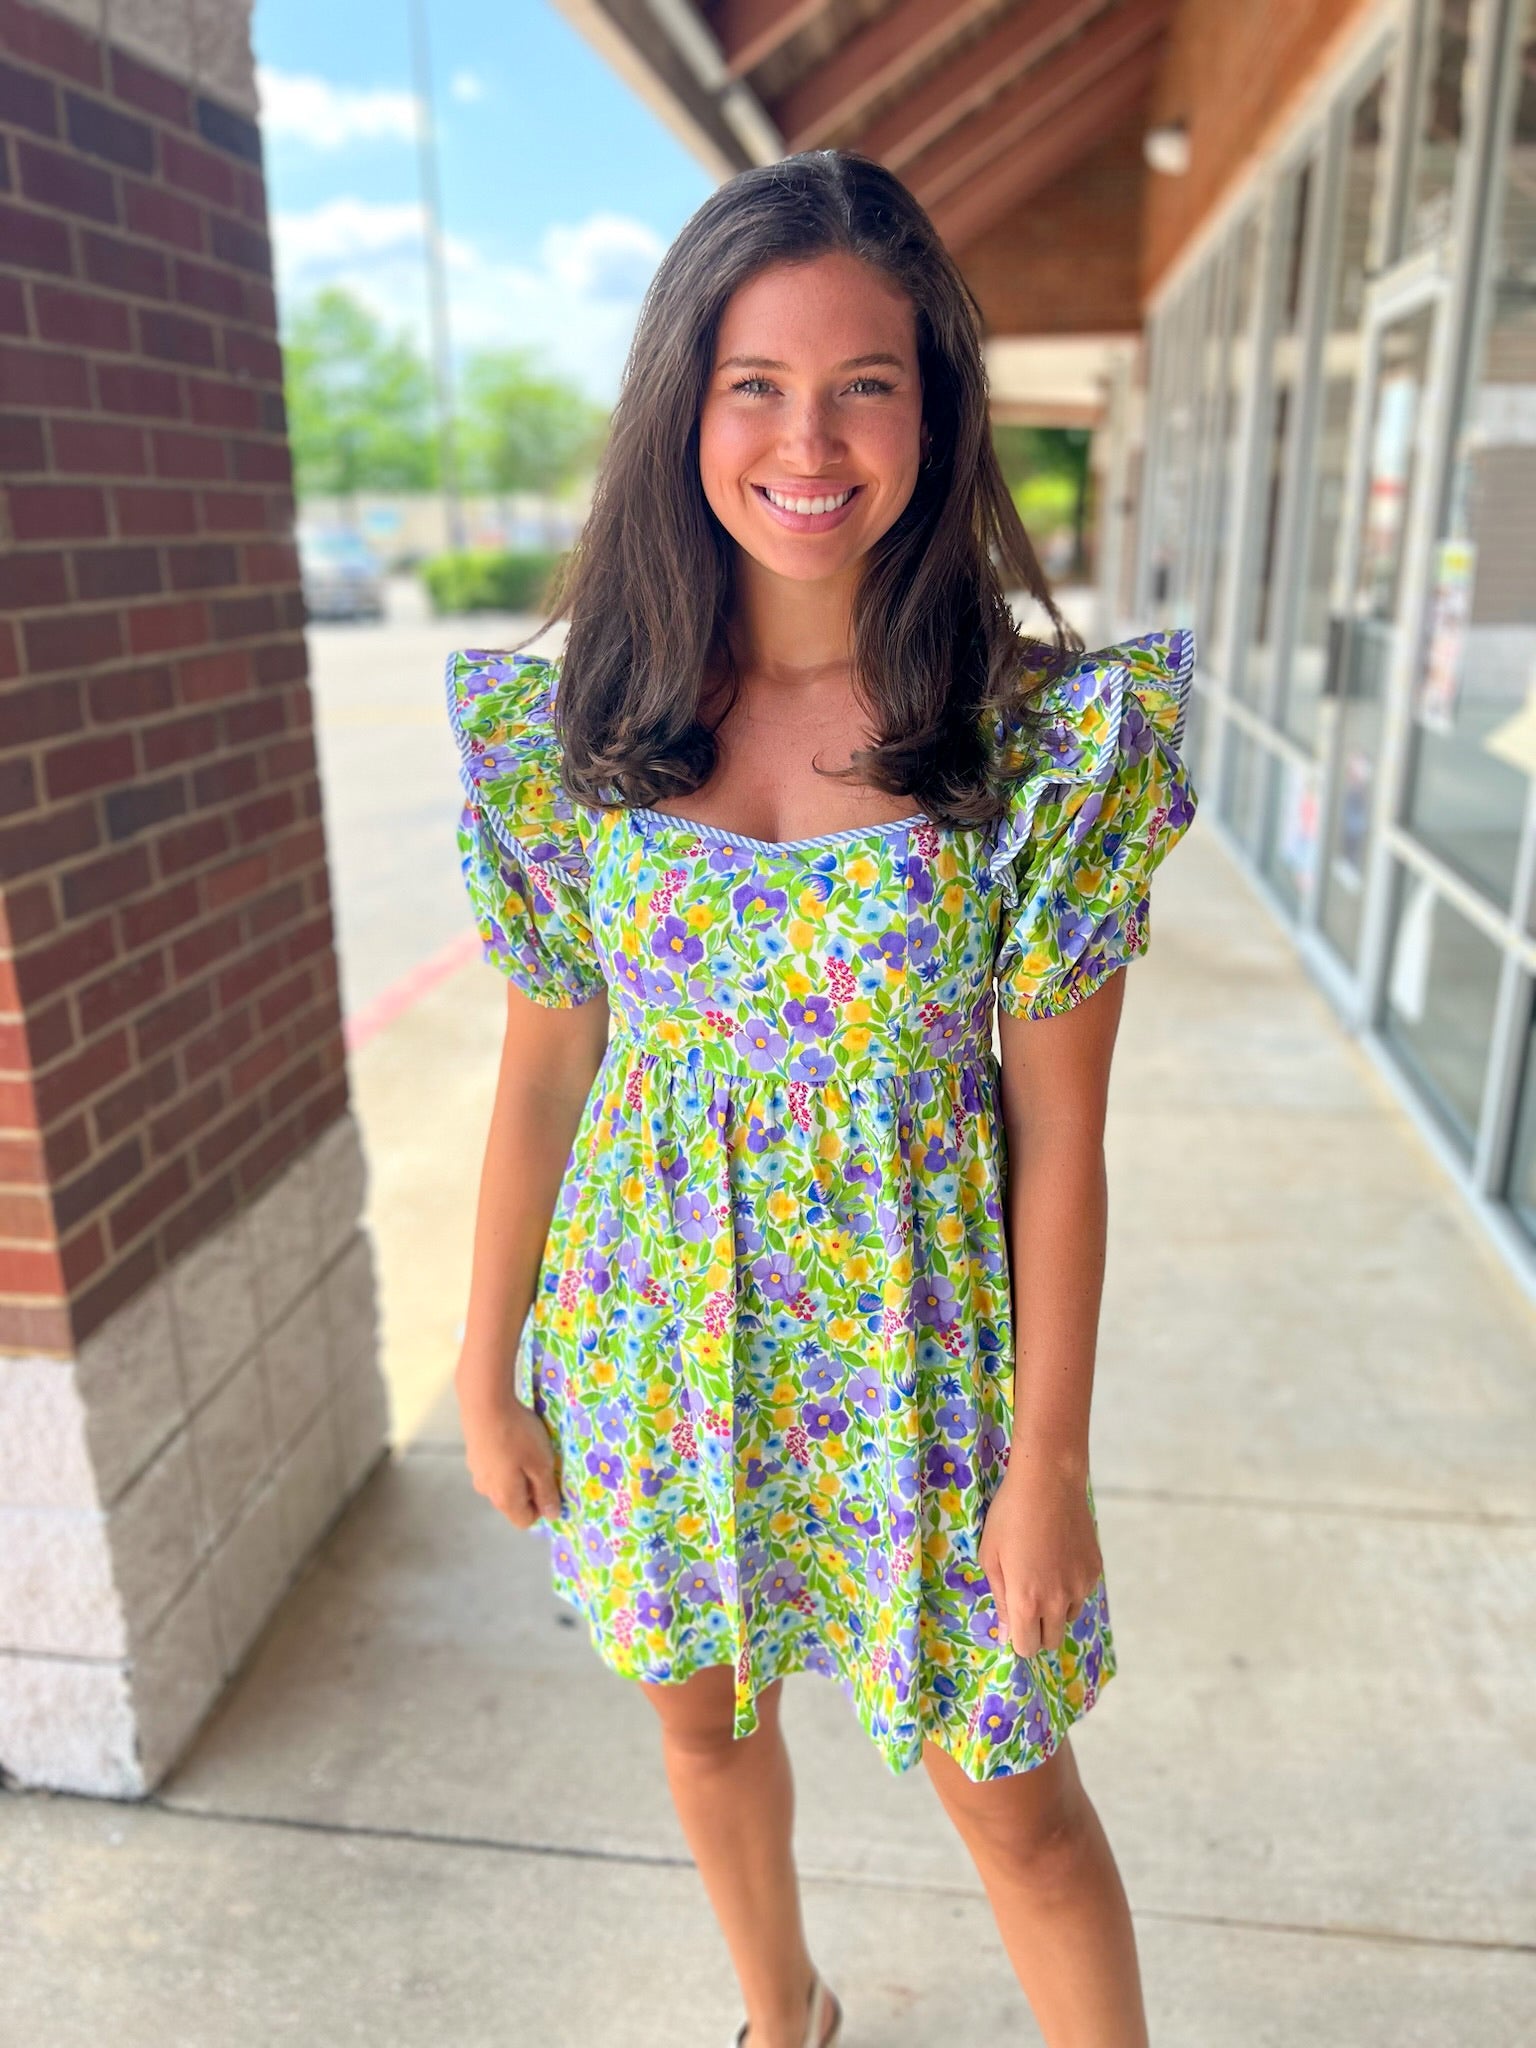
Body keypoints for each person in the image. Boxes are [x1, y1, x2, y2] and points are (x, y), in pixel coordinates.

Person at [446, 150, 1197, 2048]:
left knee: (1014, 1803)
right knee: (705, 1725)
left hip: (923, 1367)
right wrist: (485, 1363)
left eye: (865, 383)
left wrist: (1048, 1465)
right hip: (651, 1340)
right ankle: (783, 2015)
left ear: (933, 413)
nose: (809, 440)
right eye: (755, 385)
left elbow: (1063, 1136)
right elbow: (548, 1068)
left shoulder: (1041, 740)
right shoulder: (572, 734)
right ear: (682, 409)